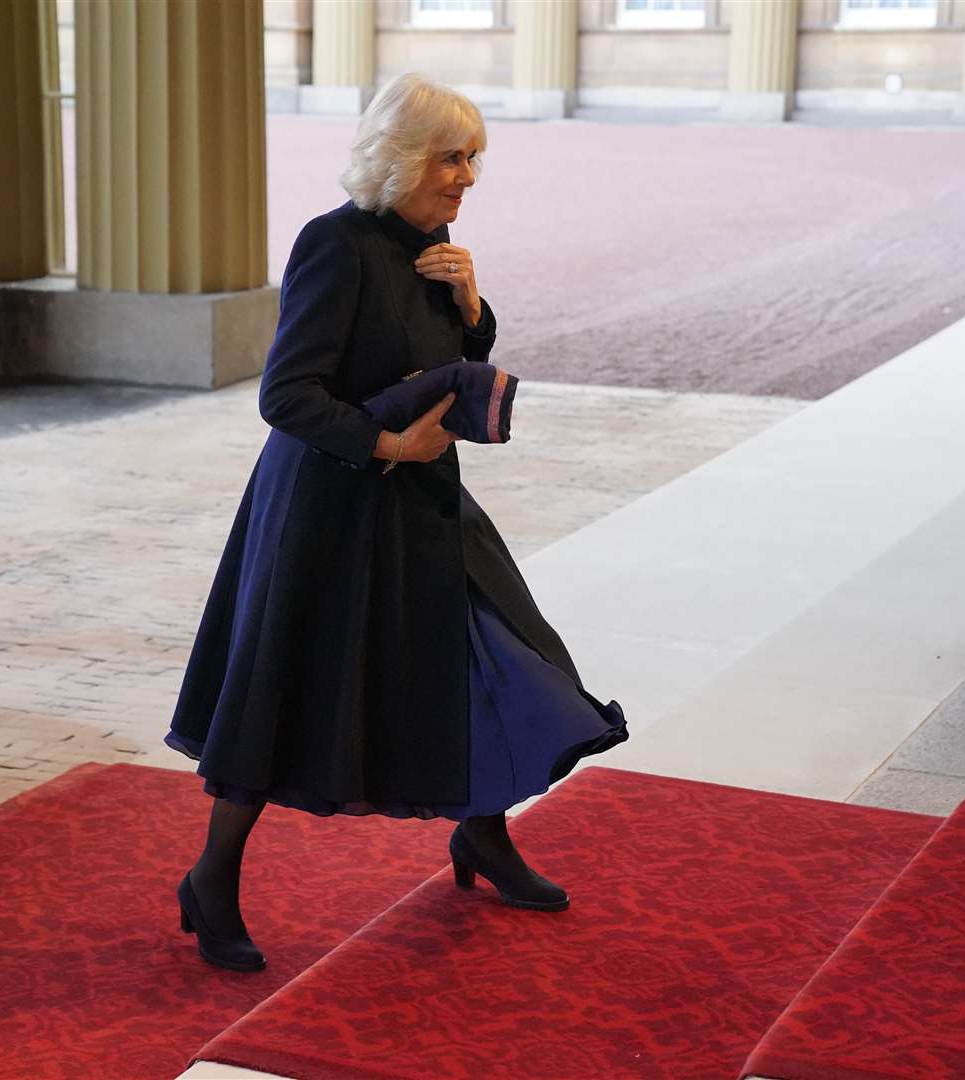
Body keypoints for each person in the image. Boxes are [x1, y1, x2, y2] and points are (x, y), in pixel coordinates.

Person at [166, 73, 627, 973]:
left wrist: (472, 313)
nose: (467, 177)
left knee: (493, 655)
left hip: (424, 502)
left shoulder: (435, 244)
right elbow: (286, 394)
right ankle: (211, 879)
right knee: (286, 691)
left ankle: (482, 837)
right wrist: (382, 444)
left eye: (472, 158)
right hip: (328, 508)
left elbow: (440, 365)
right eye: (453, 158)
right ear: (403, 158)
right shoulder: (333, 245)